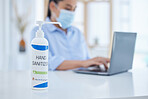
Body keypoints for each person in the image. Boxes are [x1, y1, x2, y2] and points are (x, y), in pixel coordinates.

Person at [31, 0, 110, 71]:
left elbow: (87, 60)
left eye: (74, 9)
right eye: (68, 9)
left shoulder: (77, 32)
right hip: (55, 83)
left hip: (81, 82)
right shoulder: (39, 32)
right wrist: (83, 63)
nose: (71, 13)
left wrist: (96, 63)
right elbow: (47, 63)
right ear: (52, 6)